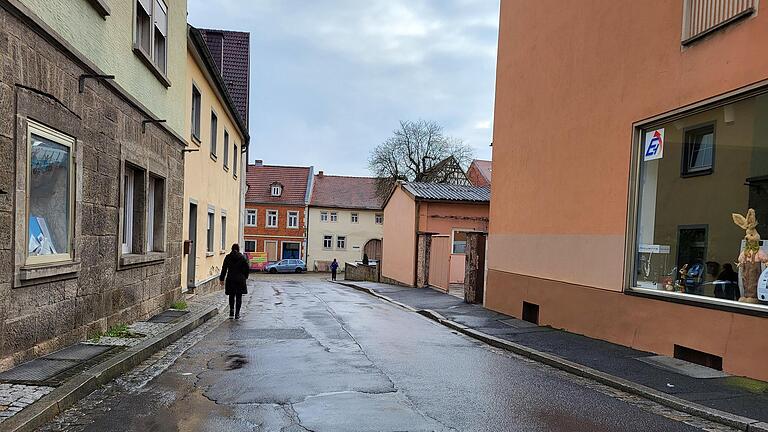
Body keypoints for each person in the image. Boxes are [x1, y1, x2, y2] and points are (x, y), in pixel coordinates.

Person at [220, 243, 249, 319]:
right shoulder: (242, 258)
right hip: (240, 279)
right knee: (239, 297)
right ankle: (237, 314)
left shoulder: (228, 257)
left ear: (231, 249)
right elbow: (247, 268)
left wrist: (222, 279)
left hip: (231, 279)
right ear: (238, 249)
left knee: (231, 296)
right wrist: (245, 277)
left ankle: (231, 312)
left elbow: (224, 269)